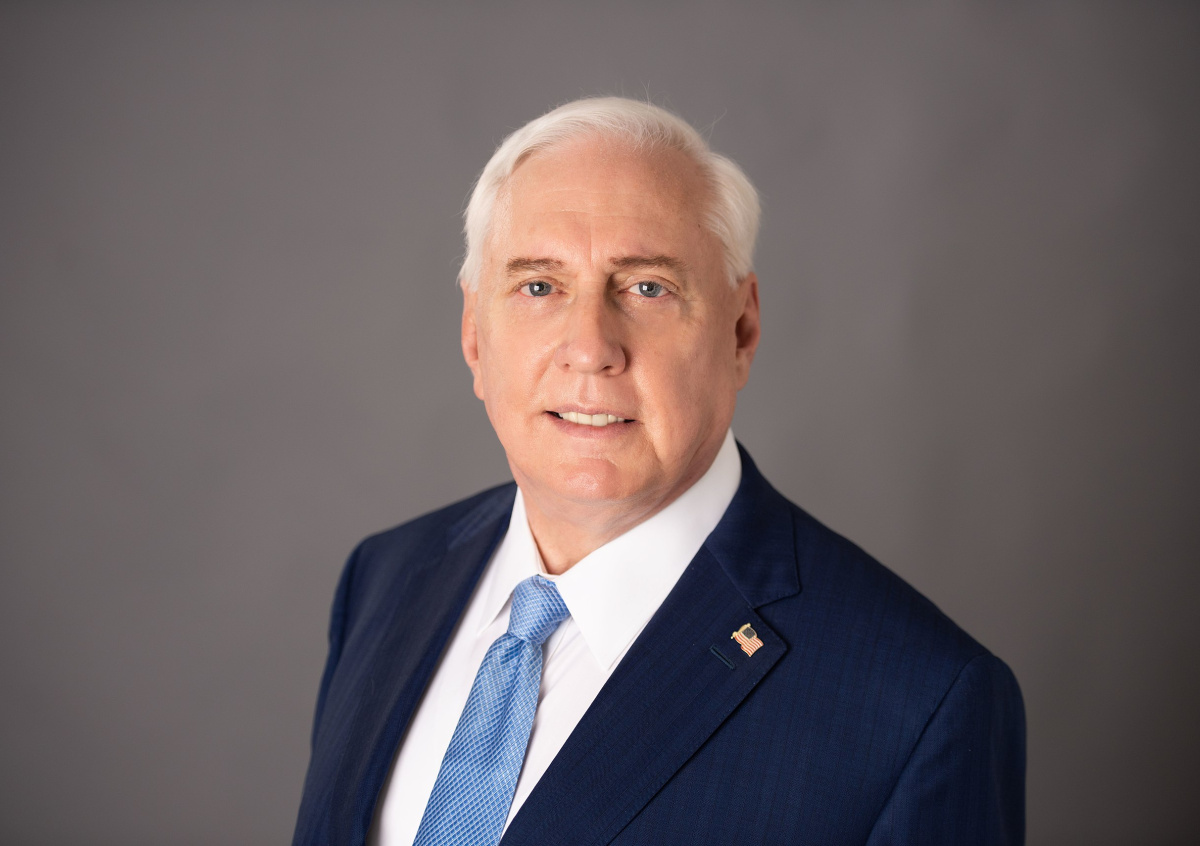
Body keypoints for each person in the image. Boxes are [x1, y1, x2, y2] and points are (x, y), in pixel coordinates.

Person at [292, 97, 1025, 846]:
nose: (590, 348)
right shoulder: (386, 579)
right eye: (539, 286)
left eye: (648, 288)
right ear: (475, 335)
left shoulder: (918, 704)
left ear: (741, 330)